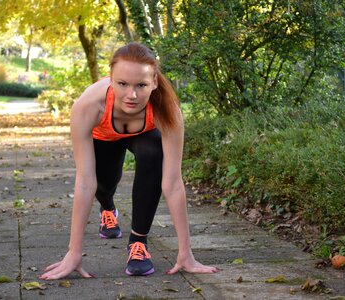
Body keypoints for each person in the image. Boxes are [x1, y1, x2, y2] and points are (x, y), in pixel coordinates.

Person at [40, 42, 220, 279]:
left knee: (154, 153)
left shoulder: (166, 108)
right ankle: (107, 209)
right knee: (103, 186)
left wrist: (185, 252)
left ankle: (138, 243)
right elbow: (84, 182)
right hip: (103, 136)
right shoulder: (88, 107)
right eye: (122, 84)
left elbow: (173, 183)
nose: (131, 95)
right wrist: (74, 252)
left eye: (141, 85)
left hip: (142, 135)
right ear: (111, 78)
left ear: (154, 82)